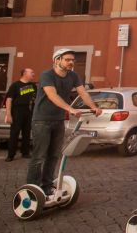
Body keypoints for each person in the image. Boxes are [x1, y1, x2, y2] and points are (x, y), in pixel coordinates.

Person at [27, 49, 102, 196]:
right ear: (57, 60)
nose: (71, 62)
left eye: (72, 60)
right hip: (42, 120)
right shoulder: (47, 75)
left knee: (54, 155)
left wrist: (94, 107)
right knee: (39, 156)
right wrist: (70, 109)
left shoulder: (73, 75)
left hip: (58, 120)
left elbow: (83, 93)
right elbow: (52, 95)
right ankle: (32, 189)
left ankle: (46, 186)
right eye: (67, 59)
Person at [4, 68, 36, 161]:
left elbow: (36, 98)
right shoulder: (15, 85)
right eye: (32, 72)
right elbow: (9, 100)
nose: (33, 74)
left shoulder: (33, 85)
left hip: (29, 111)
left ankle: (25, 152)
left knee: (26, 133)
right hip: (17, 111)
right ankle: (11, 155)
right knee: (14, 133)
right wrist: (9, 114)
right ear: (25, 73)